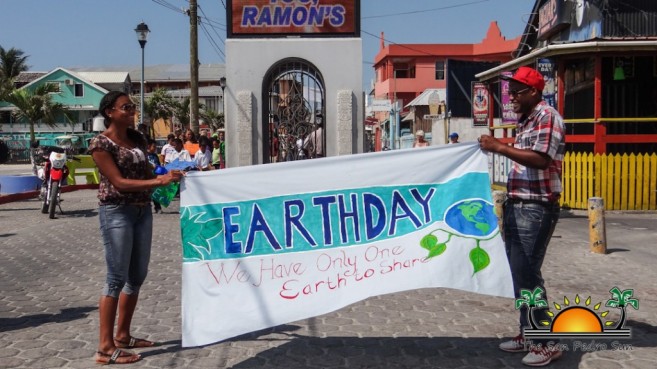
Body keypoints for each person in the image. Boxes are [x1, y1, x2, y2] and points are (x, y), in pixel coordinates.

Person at [478, 66, 565, 367]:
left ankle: (546, 342)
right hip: (517, 205)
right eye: (510, 90)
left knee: (528, 274)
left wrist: (500, 147)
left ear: (534, 92)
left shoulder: (547, 117)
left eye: (517, 90)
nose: (511, 96)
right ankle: (529, 333)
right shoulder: (526, 120)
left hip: (536, 207)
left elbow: (542, 159)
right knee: (517, 274)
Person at [88, 91, 183, 365]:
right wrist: (159, 183)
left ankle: (123, 335)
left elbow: (147, 174)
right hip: (116, 212)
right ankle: (104, 348)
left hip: (142, 212)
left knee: (137, 276)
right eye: (126, 107)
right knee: (115, 278)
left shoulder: (137, 139)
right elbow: (118, 182)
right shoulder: (100, 144)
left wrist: (170, 175)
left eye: (133, 107)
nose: (132, 111)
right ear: (109, 112)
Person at [146, 139, 163, 213]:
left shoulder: (155, 156)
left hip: (155, 177)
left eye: (156, 146)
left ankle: (158, 207)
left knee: (155, 193)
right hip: (147, 177)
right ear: (148, 146)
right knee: (147, 194)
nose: (155, 148)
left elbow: (158, 165)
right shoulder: (145, 155)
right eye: (154, 146)